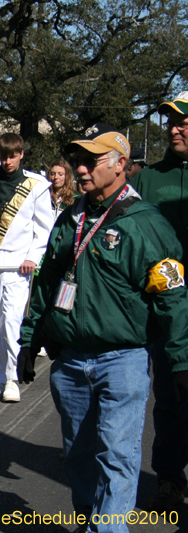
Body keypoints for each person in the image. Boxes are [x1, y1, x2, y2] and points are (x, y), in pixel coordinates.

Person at [21, 123, 188, 531]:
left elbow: (173, 296)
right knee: (78, 456)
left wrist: (181, 359)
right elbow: (48, 281)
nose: (80, 169)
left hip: (123, 360)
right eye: (77, 161)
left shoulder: (146, 223)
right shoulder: (70, 218)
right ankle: (90, 522)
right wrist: (30, 338)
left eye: (91, 161)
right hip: (72, 362)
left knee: (116, 455)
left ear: (120, 165)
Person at [131, 92, 188, 513]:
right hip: (165, 310)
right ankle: (169, 478)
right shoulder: (148, 179)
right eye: (170, 121)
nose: (175, 128)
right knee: (169, 396)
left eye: (183, 121)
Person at [0, 132, 54, 403]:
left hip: (19, 262)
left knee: (12, 321)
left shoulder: (37, 185)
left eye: (12, 156)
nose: (7, 161)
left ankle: (13, 378)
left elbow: (44, 228)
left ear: (21, 154)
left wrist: (33, 258)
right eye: (3, 156)